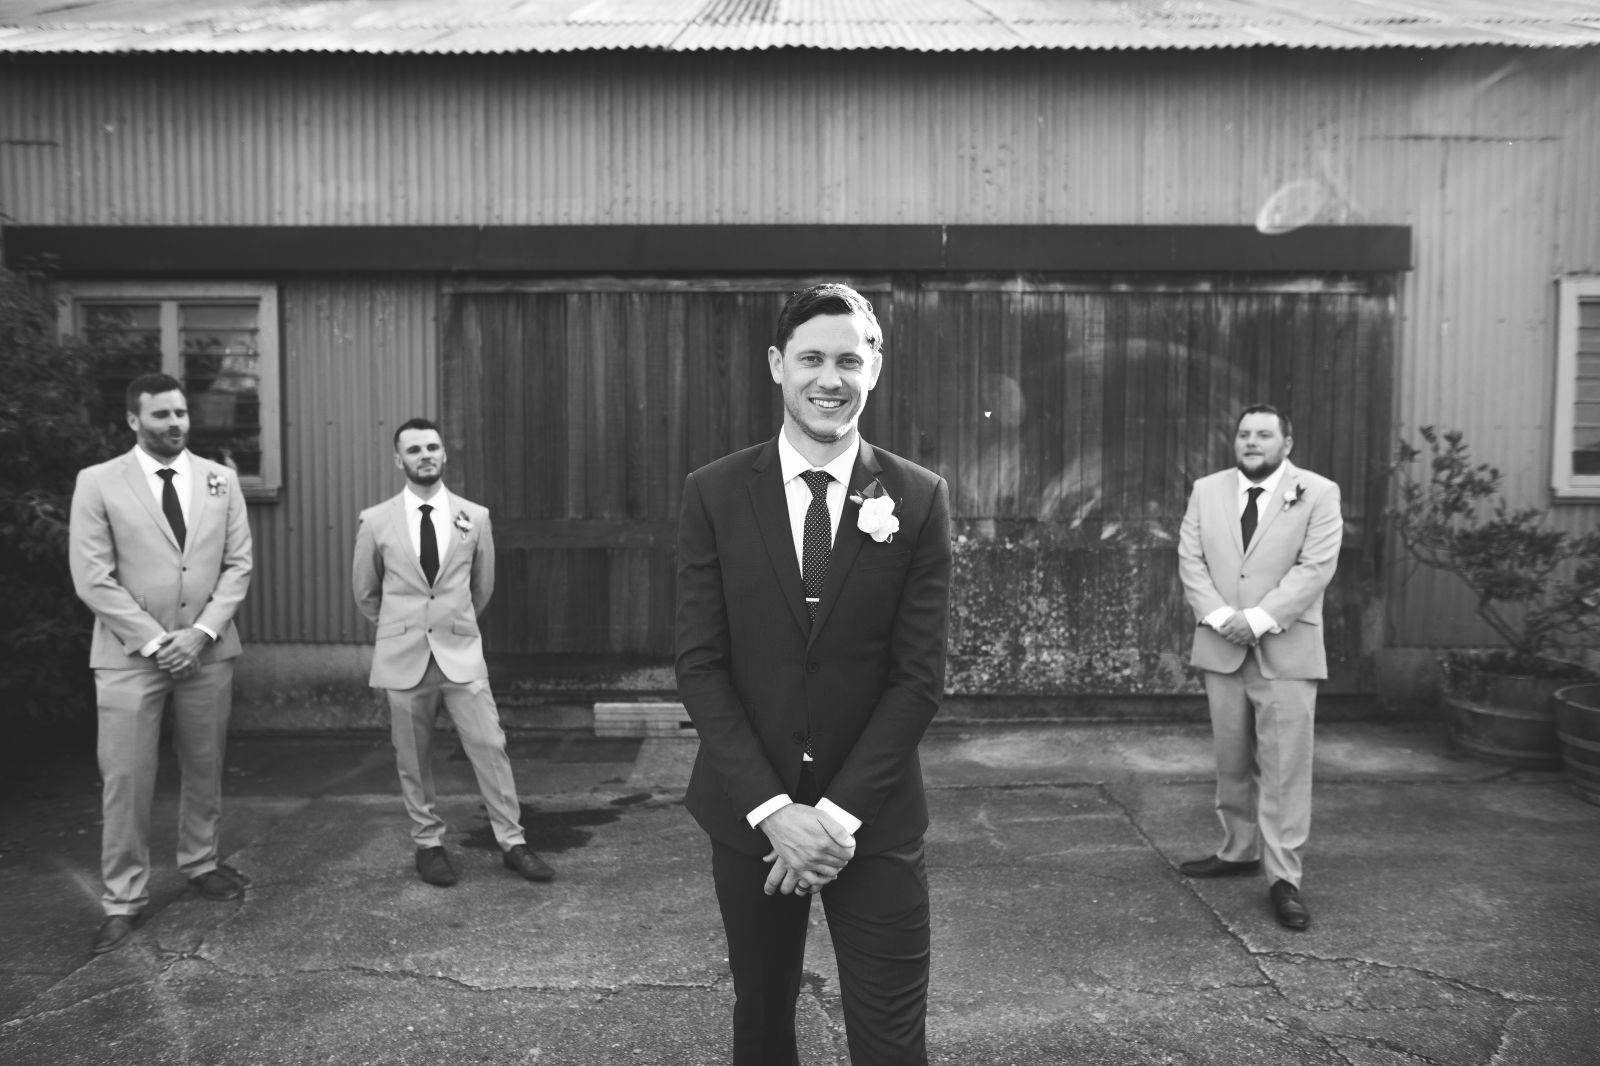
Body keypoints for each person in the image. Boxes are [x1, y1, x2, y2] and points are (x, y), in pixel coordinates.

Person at [676, 284, 951, 1065]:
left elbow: (918, 678)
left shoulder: (918, 497)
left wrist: (833, 817)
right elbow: (700, 664)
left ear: (874, 368)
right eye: (811, 359)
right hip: (750, 814)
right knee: (762, 1021)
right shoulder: (714, 492)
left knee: (892, 1040)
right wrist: (774, 811)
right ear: (777, 364)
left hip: (874, 816)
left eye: (849, 361)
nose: (830, 379)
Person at [69, 372, 254, 955]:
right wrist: (156, 642)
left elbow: (238, 565)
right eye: (161, 415)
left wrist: (199, 634)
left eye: (181, 413)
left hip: (208, 650)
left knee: (204, 763)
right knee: (126, 778)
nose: (175, 424)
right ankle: (124, 897)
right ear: (134, 420)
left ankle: (201, 862)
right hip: (129, 657)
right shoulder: (98, 482)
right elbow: (92, 577)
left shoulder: (221, 479)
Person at [351, 417, 554, 887]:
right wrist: (404, 628)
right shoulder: (375, 520)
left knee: (491, 747)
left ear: (444, 454)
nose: (425, 455)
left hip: (460, 654)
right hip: (403, 658)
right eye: (414, 449)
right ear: (398, 460)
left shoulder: (474, 516)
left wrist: (452, 624)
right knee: (413, 758)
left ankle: (513, 842)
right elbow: (365, 592)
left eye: (432, 447)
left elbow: (482, 586)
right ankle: (428, 844)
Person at [1175, 404, 1342, 930]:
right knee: (1231, 760)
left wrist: (1260, 619)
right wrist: (1222, 617)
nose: (1251, 441)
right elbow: (1191, 560)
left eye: (1264, 434)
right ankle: (1238, 850)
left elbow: (1315, 567)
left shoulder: (1319, 492)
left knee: (1285, 768)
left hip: (1286, 649)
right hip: (1222, 645)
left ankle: (1284, 877)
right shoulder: (1206, 490)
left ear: (1286, 444)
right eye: (1244, 433)